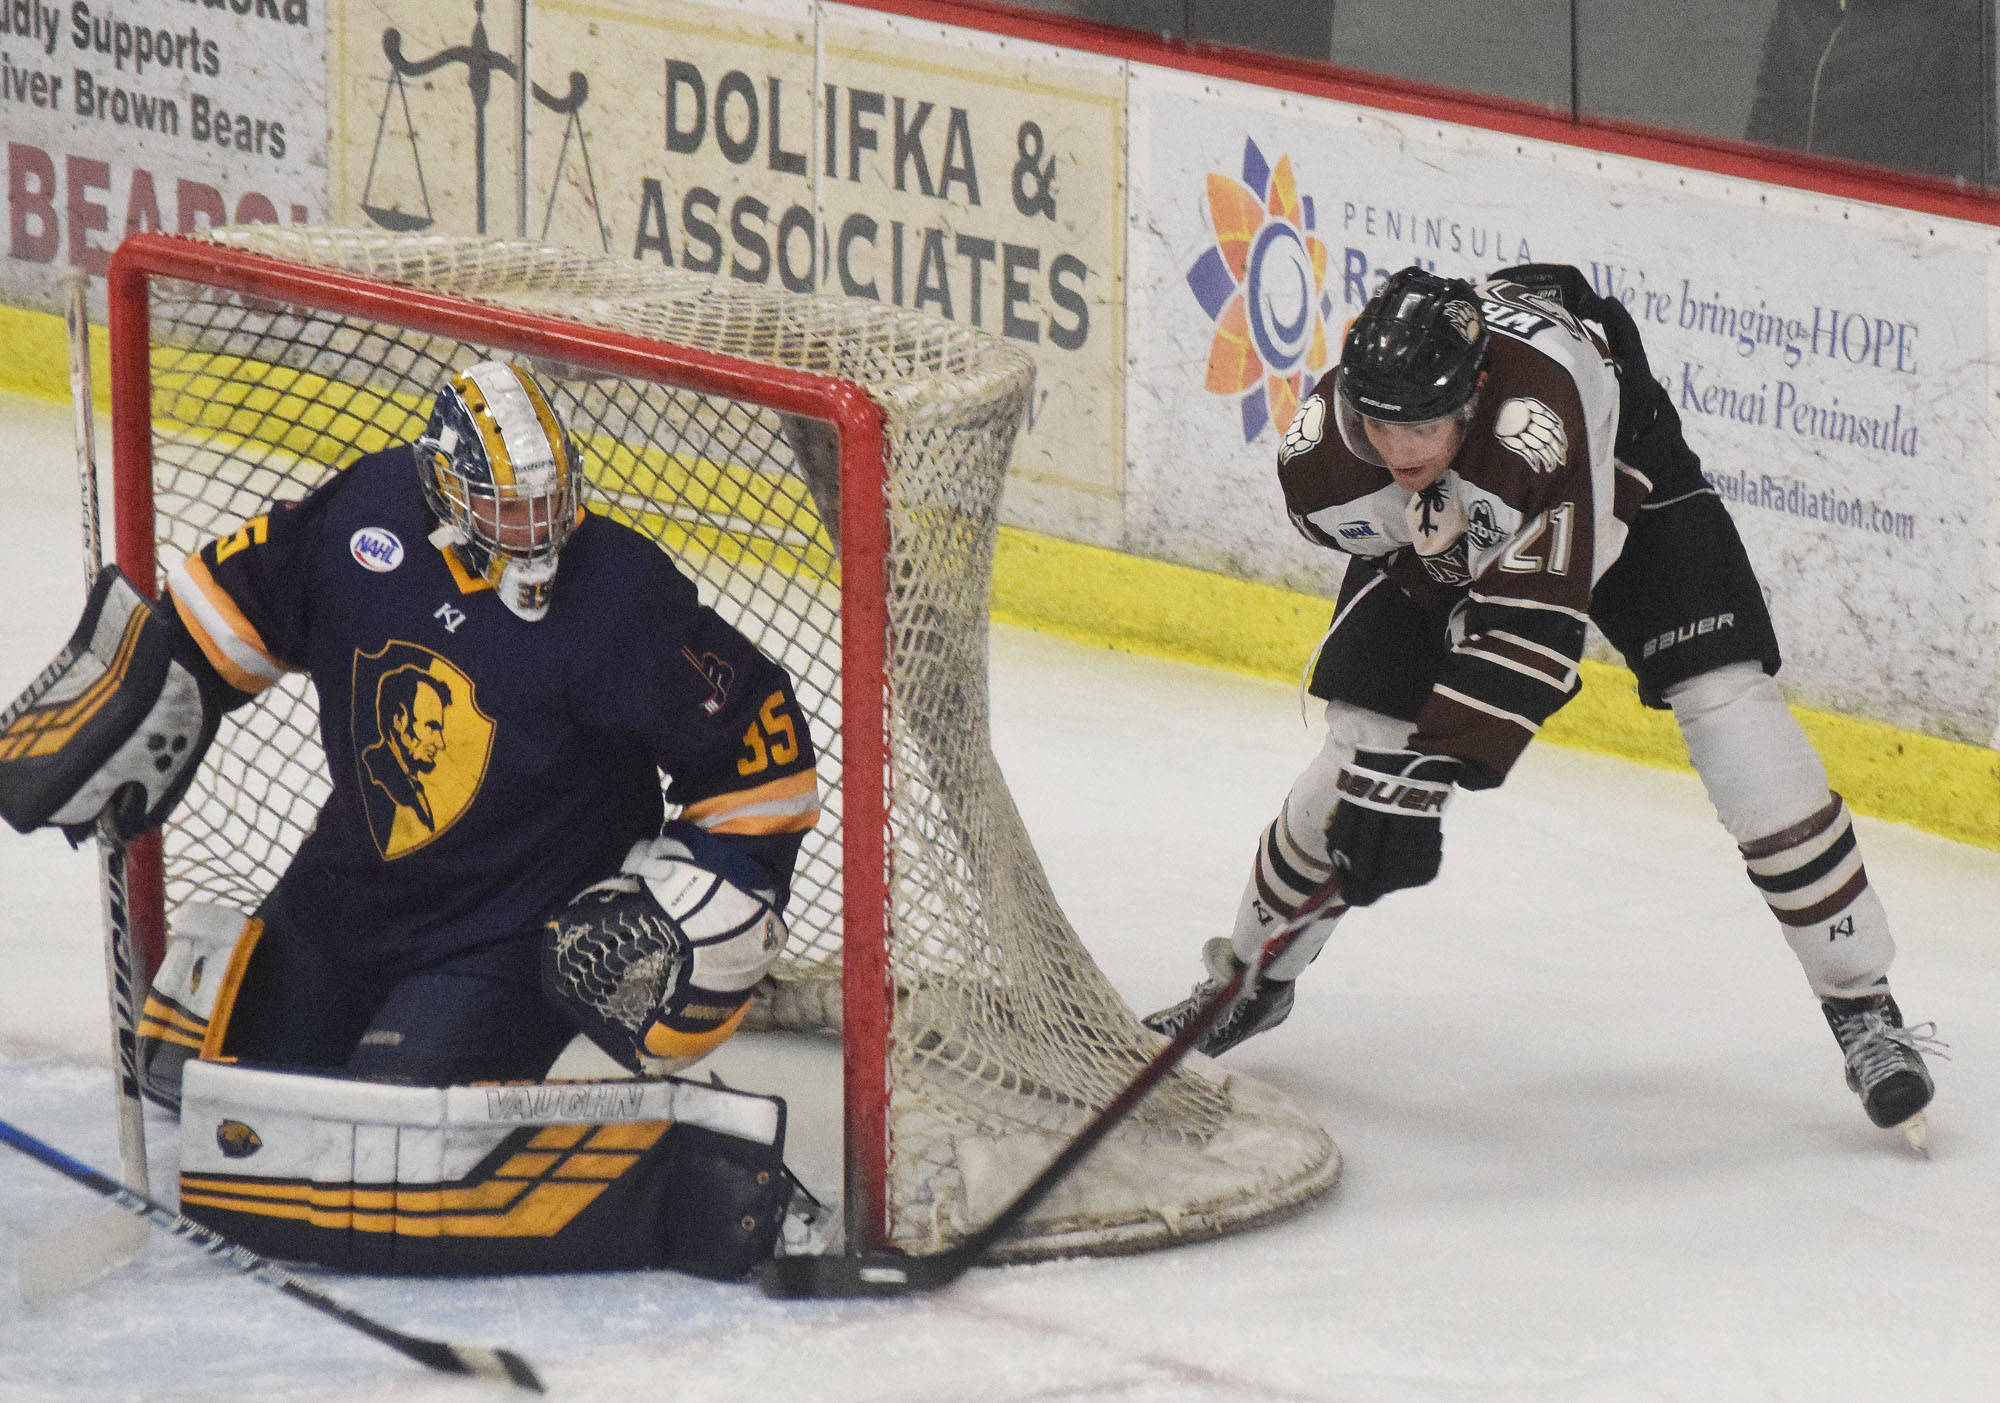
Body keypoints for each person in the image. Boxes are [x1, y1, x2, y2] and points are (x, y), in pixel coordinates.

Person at [1145, 263, 1943, 1142]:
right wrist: (1386, 770)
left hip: (1619, 462)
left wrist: (1431, 775)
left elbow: (1532, 631)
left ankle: (1862, 1003)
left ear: (1475, 391)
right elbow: (1407, 612)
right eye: (1380, 423)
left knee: (1728, 701)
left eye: (1422, 424)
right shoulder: (1327, 462)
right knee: (1357, 752)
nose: (1399, 448)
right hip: (1468, 517)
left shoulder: (1536, 421)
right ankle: (1250, 980)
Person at [3, 359, 820, 1098]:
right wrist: (147, 688)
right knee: (222, 1092)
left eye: (547, 505)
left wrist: (720, 879)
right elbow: (240, 598)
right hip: (355, 889)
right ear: (442, 488)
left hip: (507, 928)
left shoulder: (619, 598)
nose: (534, 533)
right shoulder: (369, 511)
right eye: (507, 508)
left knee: (387, 1122)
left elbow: (757, 749)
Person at [1745, 0, 1990, 187]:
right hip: (1789, 220)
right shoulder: (1798, 9)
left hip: (1896, 231)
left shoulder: (1950, 16)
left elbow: (1975, 154)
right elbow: (1766, 117)